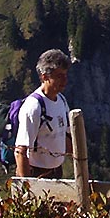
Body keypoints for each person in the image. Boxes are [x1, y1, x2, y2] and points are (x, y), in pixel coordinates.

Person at [14, 48, 72, 178]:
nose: (64, 80)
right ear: (44, 77)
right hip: (36, 173)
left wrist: (82, 168)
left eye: (65, 75)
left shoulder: (61, 100)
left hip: (57, 171)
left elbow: (67, 136)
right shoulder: (34, 107)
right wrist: (27, 188)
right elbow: (20, 151)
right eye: (59, 76)